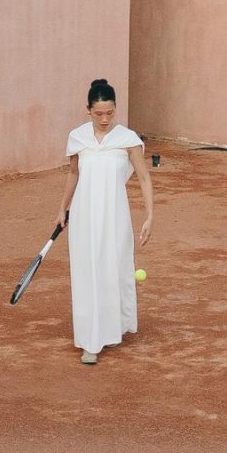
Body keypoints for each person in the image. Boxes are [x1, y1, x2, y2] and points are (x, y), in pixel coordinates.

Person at [61, 80, 154, 365]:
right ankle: (91, 341)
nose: (104, 119)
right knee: (87, 273)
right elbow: (74, 174)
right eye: (99, 113)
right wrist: (62, 208)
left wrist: (150, 215)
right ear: (88, 110)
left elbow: (144, 177)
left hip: (115, 216)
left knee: (113, 269)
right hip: (84, 217)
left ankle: (111, 328)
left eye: (110, 113)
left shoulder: (127, 139)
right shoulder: (77, 138)